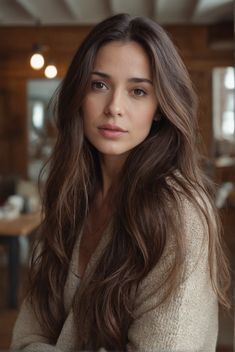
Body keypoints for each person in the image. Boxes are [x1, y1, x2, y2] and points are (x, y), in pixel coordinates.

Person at [11, 13, 230, 352]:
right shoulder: (72, 195)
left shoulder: (179, 210)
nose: (114, 107)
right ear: (79, 95)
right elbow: (25, 337)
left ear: (159, 107)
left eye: (138, 91)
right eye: (99, 85)